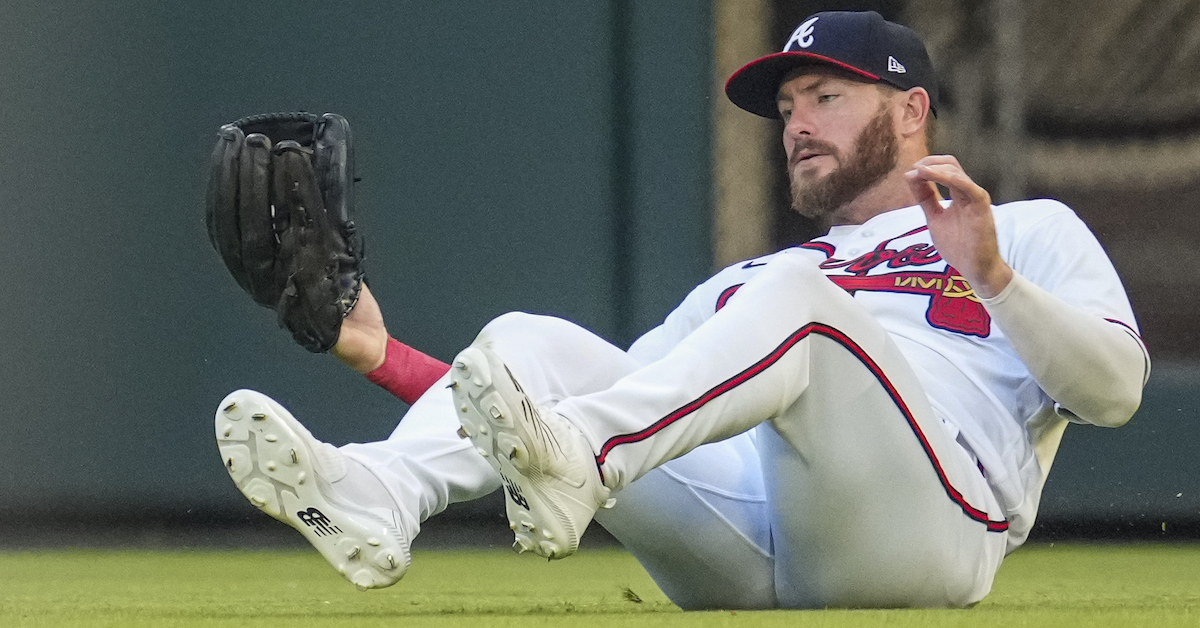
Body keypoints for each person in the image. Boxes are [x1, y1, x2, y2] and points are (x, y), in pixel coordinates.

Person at [215, 11, 1148, 609]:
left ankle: (584, 469)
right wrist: (377, 353)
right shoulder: (758, 281)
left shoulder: (1022, 230)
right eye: (787, 107)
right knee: (526, 343)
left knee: (794, 305)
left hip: (927, 535)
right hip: (748, 546)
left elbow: (1115, 395)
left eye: (827, 96)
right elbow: (614, 401)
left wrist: (997, 280)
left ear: (910, 112)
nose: (798, 125)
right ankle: (379, 496)